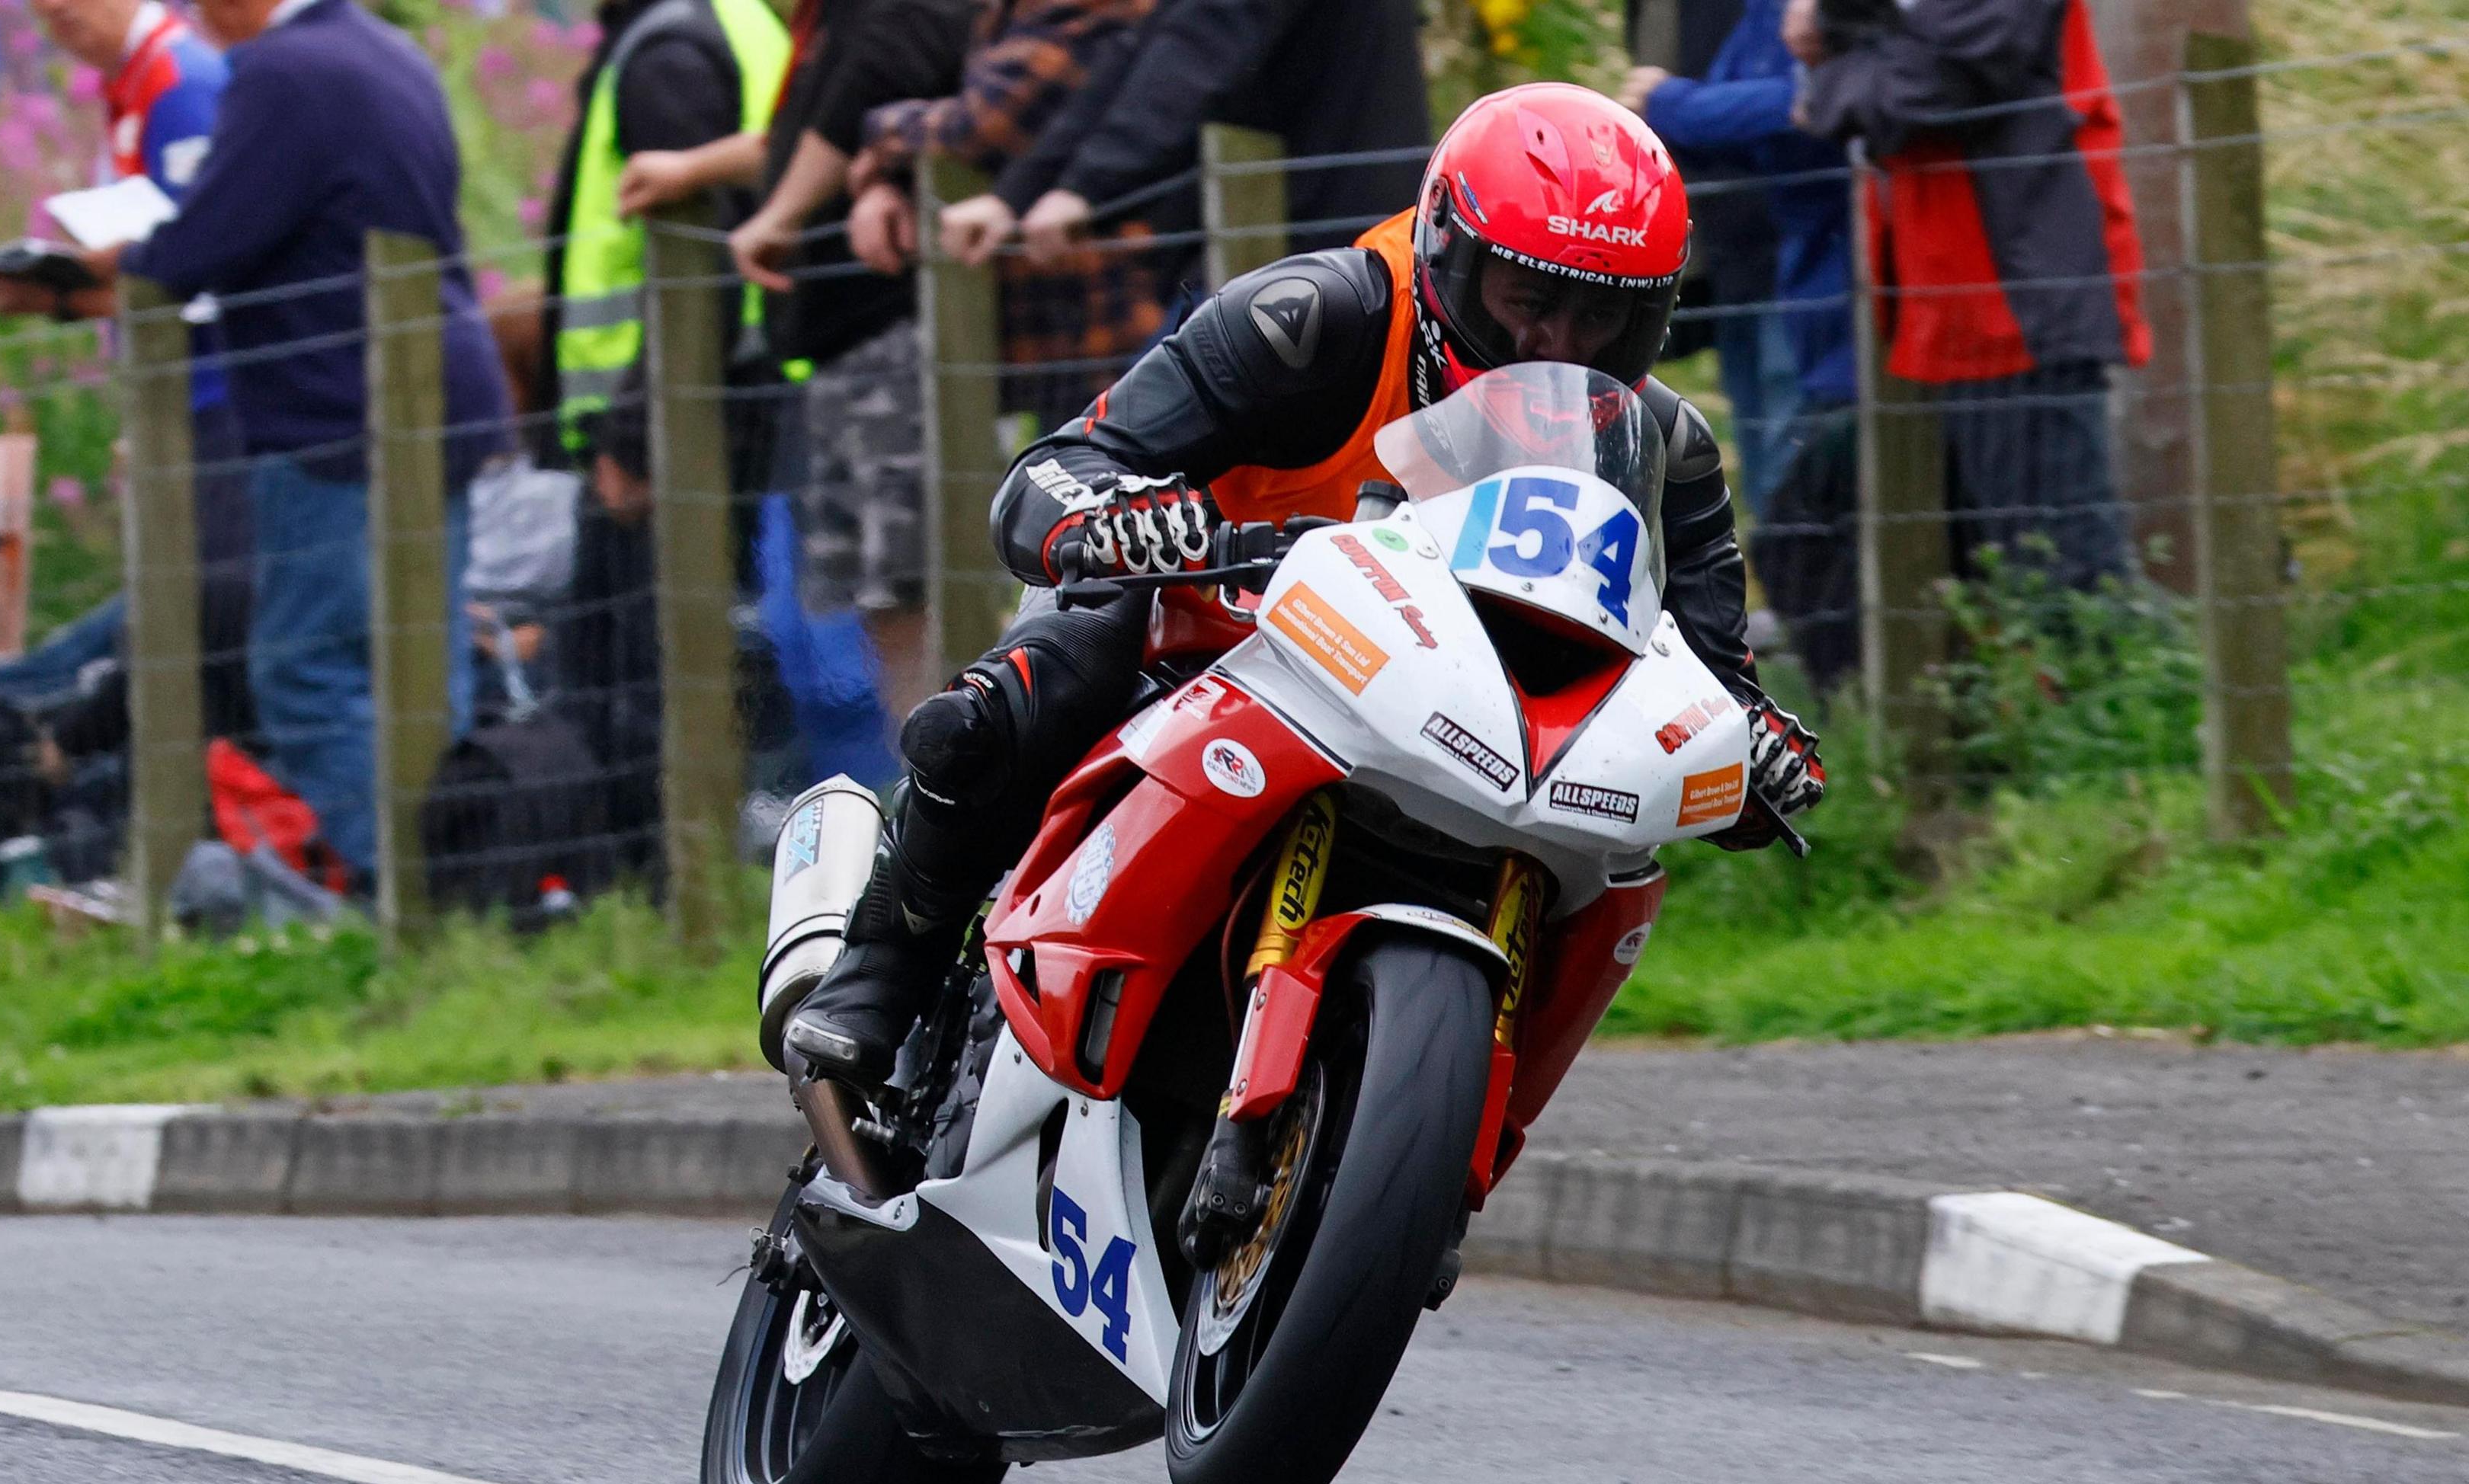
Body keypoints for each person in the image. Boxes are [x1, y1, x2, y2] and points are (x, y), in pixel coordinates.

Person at [783, 83, 1830, 1084]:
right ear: (1450, 256)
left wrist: (1752, 751)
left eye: (1599, 318)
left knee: (1622, 861)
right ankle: (887, 959)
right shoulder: (1313, 318)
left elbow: (1709, 667)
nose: (1552, 343)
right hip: (1207, 626)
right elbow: (1058, 469)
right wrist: (1126, 521)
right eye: (1527, 301)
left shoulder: (1664, 445)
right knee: (1028, 691)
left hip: (1470, 708)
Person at [94, 0, 514, 883]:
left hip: (334, 408)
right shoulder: (388, 51)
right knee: (425, 664)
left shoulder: (279, 73)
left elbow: (203, 241)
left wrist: (110, 271)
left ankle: (396, 886)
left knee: (307, 666)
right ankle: (469, 879)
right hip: (437, 386)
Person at [534, 0, 790, 889]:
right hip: (726, 394)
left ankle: (661, 883)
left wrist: (638, 438)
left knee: (633, 664)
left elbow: (697, 265)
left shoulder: (667, 52)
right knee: (683, 644)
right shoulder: (737, 23)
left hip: (674, 419)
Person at [1789, 0, 2151, 589]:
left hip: (2019, 295)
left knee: (2065, 577)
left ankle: (2135, 679)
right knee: (2009, 573)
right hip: (1960, 298)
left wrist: (1829, 72)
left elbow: (1929, 86)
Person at [0, 0, 255, 744]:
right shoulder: (132, 82)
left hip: (214, 391)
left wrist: (66, 291)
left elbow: (194, 257)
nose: (56, 15)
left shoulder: (180, 81)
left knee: (207, 612)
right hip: (177, 389)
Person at [728, 0, 981, 727]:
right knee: (883, 599)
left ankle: (963, 790)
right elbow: (807, 133)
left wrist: (780, 216)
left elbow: (880, 81)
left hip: (897, 330)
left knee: (921, 583)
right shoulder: (826, 20)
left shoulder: (883, 15)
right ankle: (927, 792)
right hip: (846, 340)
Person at [1622, 0, 1859, 689]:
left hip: (1825, 270)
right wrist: (1697, 107)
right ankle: (1794, 627)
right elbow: (1742, 97)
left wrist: (1678, 102)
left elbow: (1807, 104)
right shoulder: (1765, 17)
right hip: (1747, 254)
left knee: (1803, 458)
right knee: (1765, 450)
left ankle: (1829, 642)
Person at [846, 0, 1167, 424]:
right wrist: (889, 181)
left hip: (1100, 323)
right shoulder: (1008, 12)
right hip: (1041, 326)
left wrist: (880, 130)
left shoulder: (1089, 9)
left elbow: (981, 124)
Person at [1011, 0, 1428, 267]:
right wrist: (1018, 193)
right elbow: (1147, 51)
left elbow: (1191, 55)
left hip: (1325, 251)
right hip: (1309, 244)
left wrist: (1082, 188)